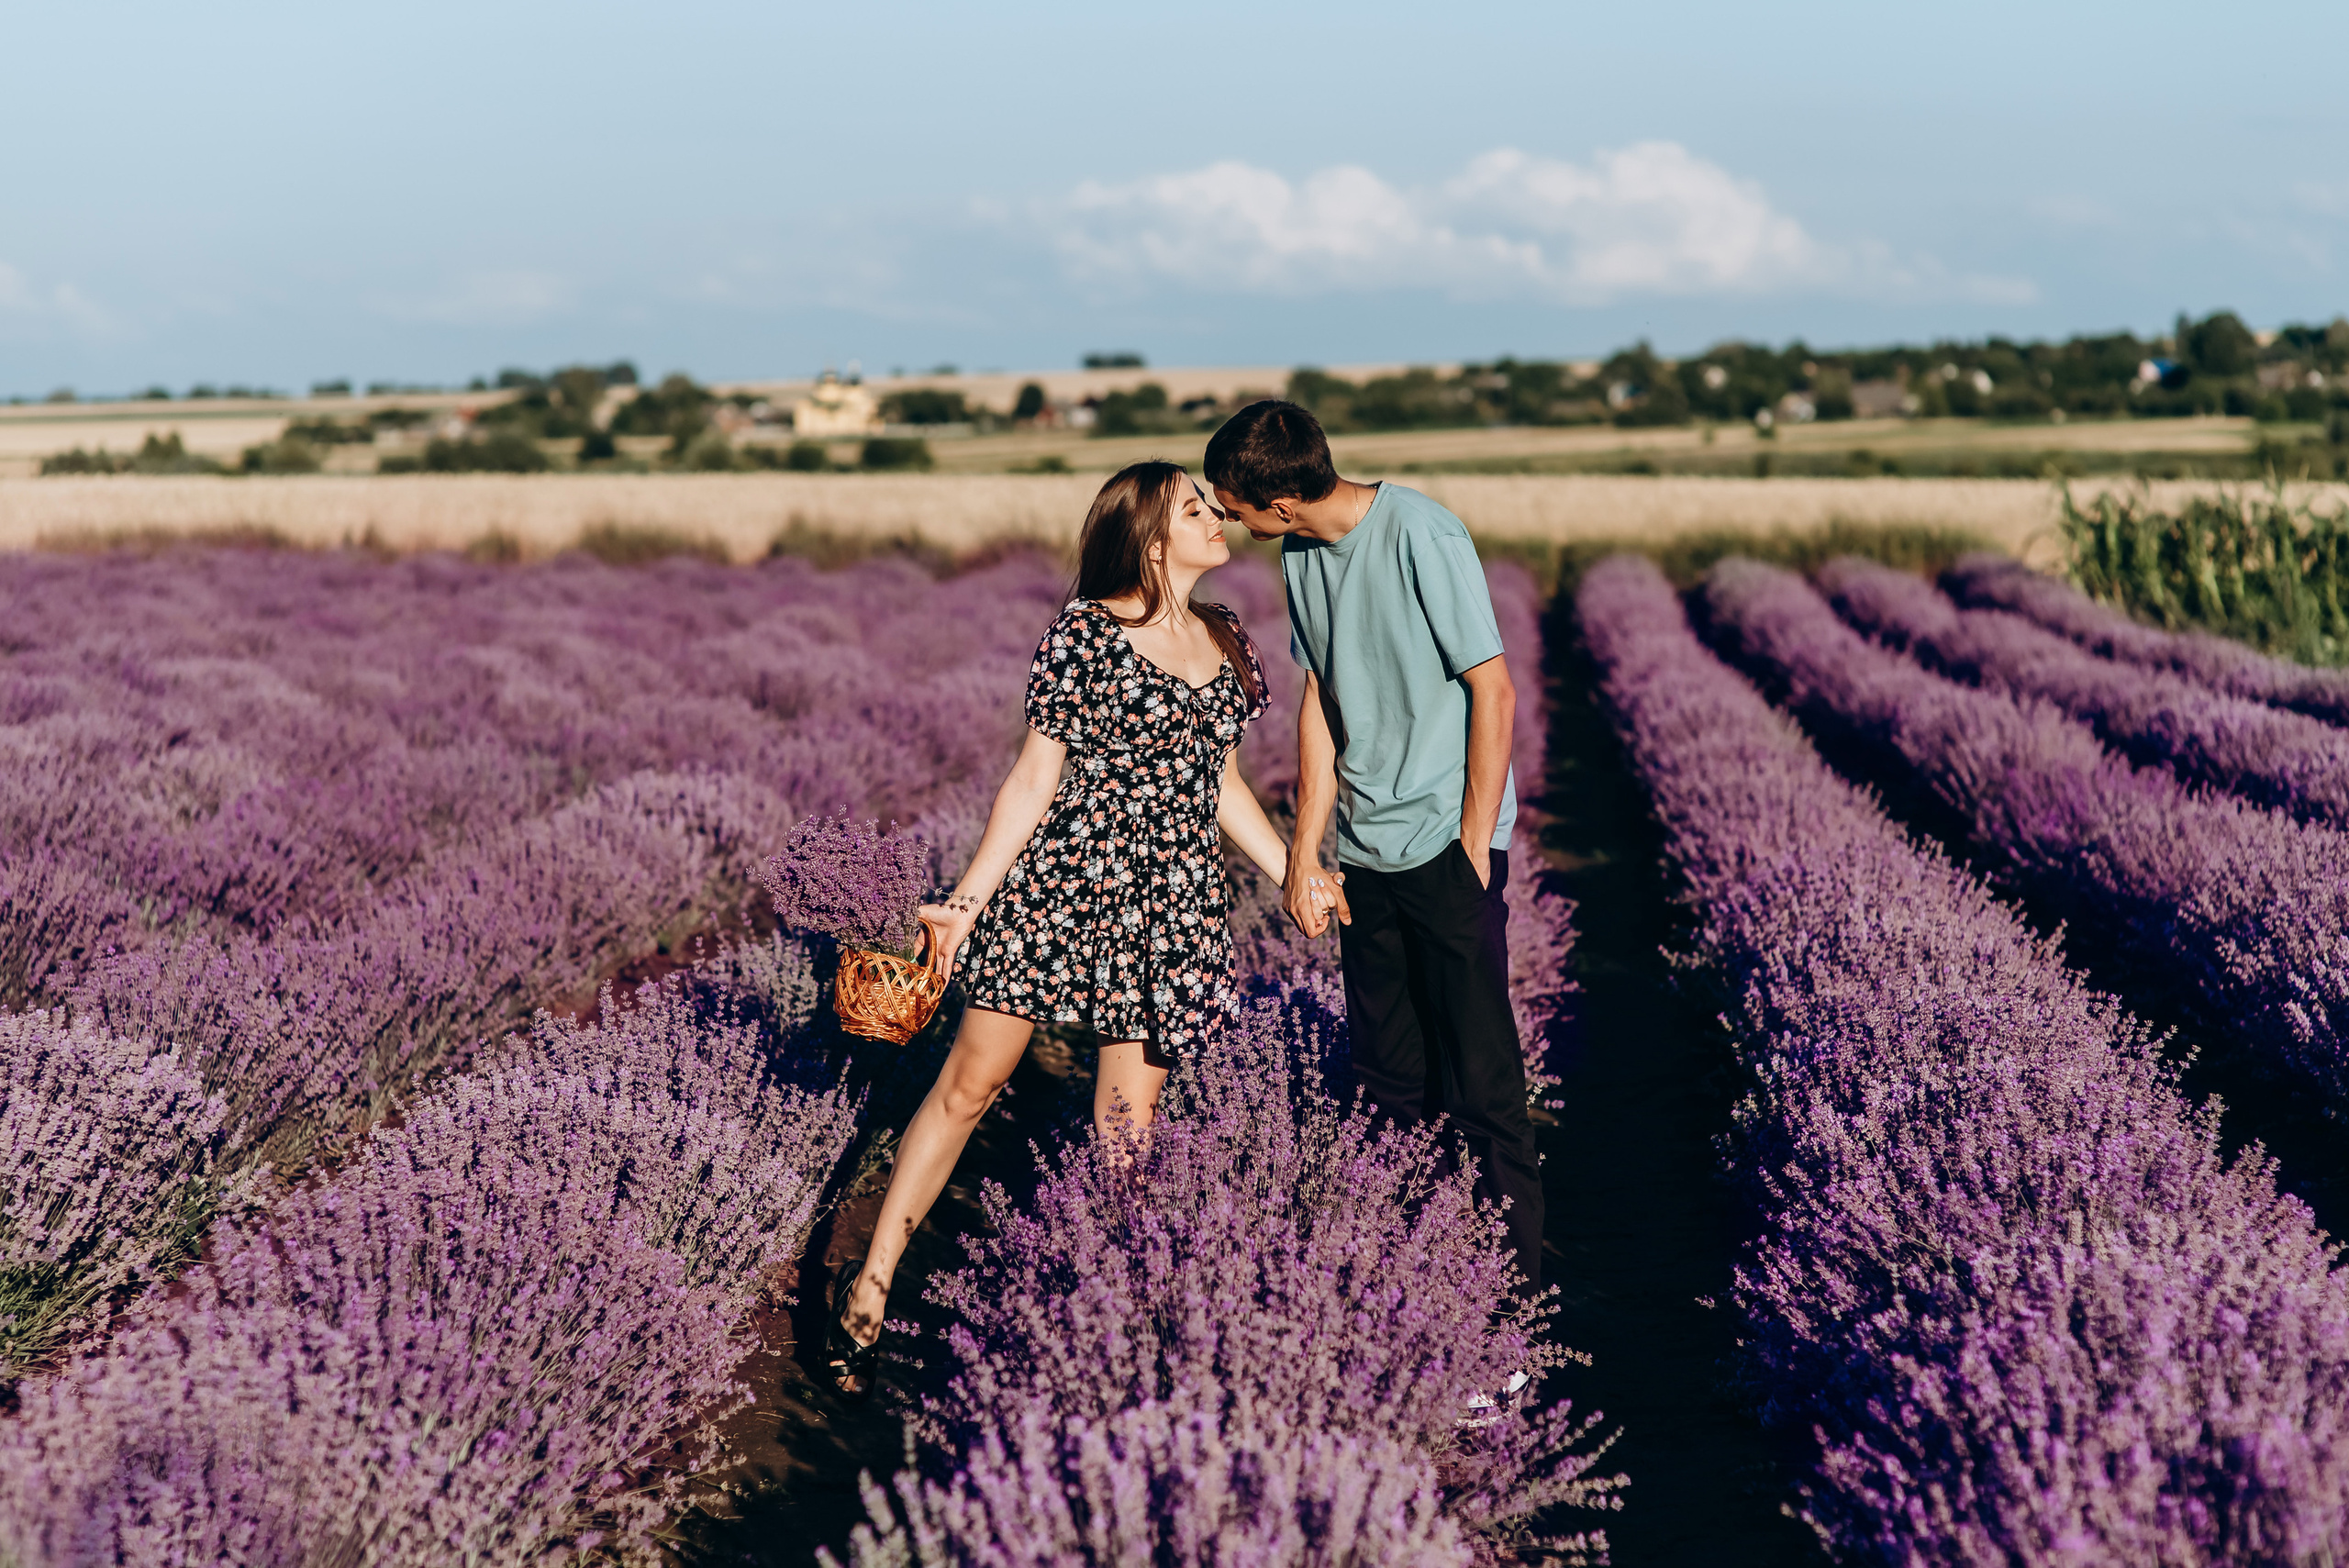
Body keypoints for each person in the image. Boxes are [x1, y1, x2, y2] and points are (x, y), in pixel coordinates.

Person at [823, 459, 1319, 1396]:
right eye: (1195, 509)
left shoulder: (1223, 633)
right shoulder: (1085, 633)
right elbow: (1032, 780)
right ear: (1150, 537)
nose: (1218, 519)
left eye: (1213, 506)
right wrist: (964, 904)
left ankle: (1105, 1304)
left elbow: (1217, 783)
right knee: (970, 1086)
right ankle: (874, 1275)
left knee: (1126, 1129)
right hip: (1060, 887)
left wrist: (1294, 867)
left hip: (1169, 908)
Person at [1205, 399, 1544, 1351]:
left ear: (1276, 500)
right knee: (1387, 1080)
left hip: (1444, 845)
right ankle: (1413, 1288)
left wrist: (1474, 840)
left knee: (1483, 1086)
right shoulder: (1301, 554)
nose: (1227, 519)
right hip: (1364, 850)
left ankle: (1508, 1320)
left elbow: (1494, 686)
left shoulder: (1421, 533)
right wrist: (1307, 852)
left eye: (1234, 505)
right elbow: (1321, 700)